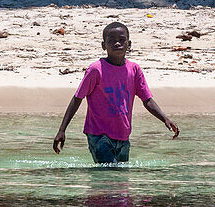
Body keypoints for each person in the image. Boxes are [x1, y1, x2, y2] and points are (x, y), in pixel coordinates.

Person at [52, 22, 179, 164]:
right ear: (103, 45)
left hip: (123, 136)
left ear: (129, 44)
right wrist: (62, 130)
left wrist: (165, 119)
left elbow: (147, 100)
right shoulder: (96, 70)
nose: (117, 43)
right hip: (99, 136)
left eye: (121, 40)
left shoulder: (134, 70)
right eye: (111, 40)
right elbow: (77, 98)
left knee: (121, 179)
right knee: (111, 174)